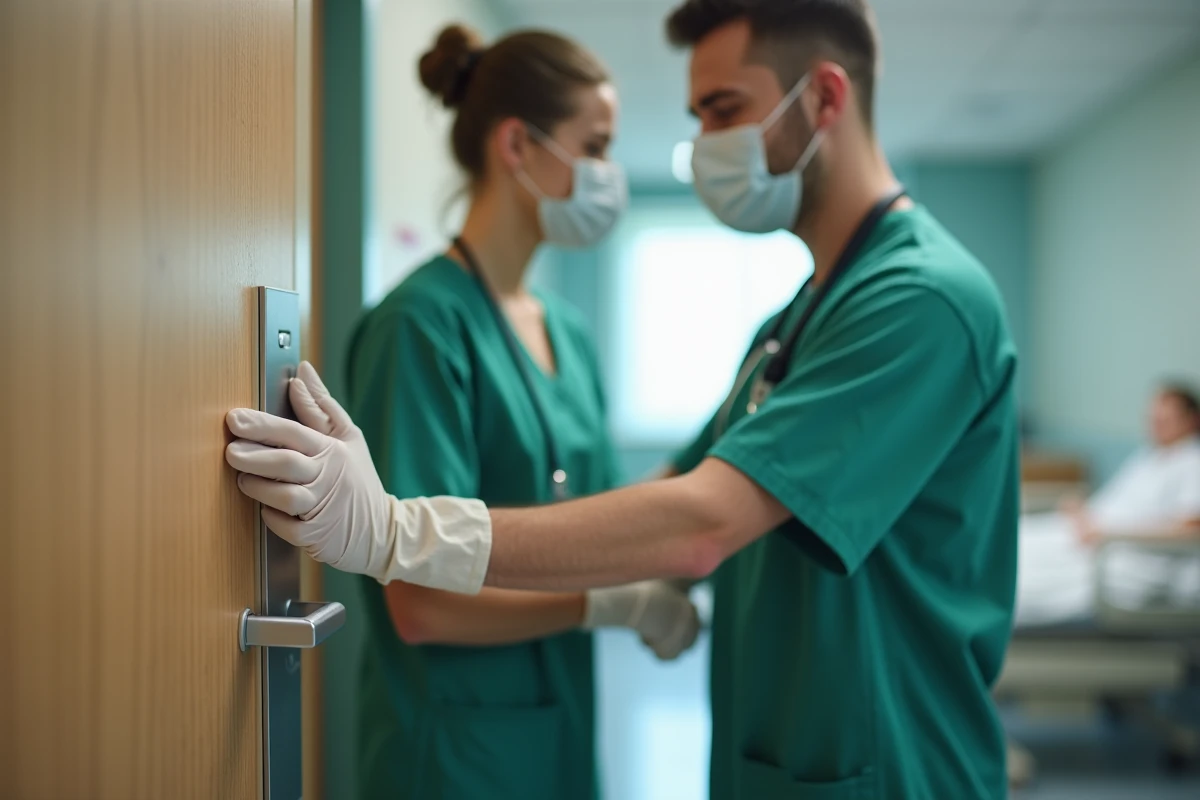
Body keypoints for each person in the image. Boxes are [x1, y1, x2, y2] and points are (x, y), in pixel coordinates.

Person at [225, 1, 1020, 797]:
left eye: (725, 111)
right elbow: (683, 488)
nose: (706, 146)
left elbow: (705, 516)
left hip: (891, 762)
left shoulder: (919, 301)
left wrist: (400, 530)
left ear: (825, 98)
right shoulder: (799, 320)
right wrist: (602, 592)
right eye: (699, 118)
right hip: (693, 754)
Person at [347, 24, 699, 800]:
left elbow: (600, 520)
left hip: (560, 737)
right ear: (518, 146)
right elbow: (422, 602)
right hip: (451, 756)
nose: (609, 172)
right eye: (595, 145)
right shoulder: (418, 328)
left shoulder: (564, 331)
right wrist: (611, 604)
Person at [1016, 382, 1200, 625]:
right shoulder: (1150, 457)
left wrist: (1106, 533)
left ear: (1191, 420)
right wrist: (1081, 510)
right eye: (1153, 420)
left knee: (1024, 565)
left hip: (1126, 554)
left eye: (1165, 421)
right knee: (1020, 536)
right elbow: (1118, 503)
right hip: (1094, 536)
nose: (1156, 427)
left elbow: (1191, 529)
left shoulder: (1192, 462)